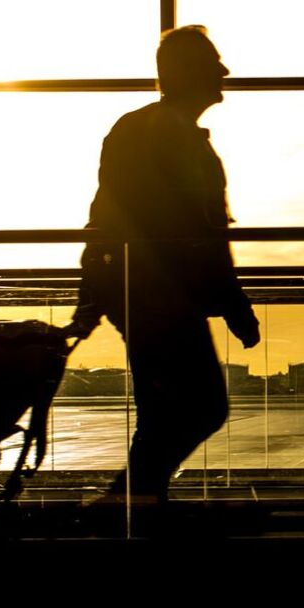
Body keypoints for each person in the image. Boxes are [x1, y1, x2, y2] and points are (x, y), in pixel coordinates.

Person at [66, 25, 260, 507]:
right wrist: (234, 305)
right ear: (187, 72)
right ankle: (128, 504)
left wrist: (94, 295)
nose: (224, 71)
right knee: (202, 407)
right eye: (213, 61)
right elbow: (201, 237)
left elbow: (107, 218)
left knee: (167, 412)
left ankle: (135, 506)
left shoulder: (146, 131)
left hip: (146, 294)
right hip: (160, 297)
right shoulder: (167, 136)